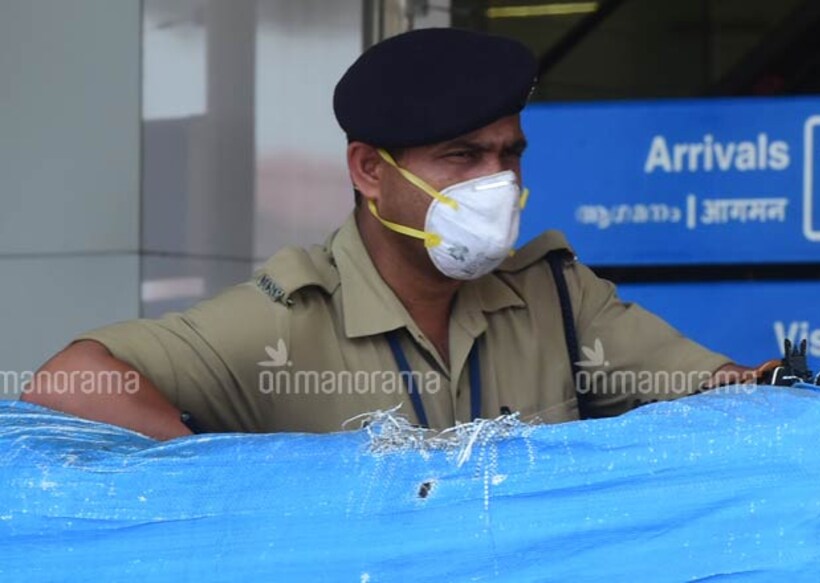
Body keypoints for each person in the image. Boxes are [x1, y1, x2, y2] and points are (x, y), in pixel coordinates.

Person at [24, 28, 778, 440]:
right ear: (368, 171)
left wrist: (783, 391)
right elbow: (69, 381)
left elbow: (716, 393)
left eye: (508, 154)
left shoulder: (557, 298)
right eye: (461, 156)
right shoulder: (287, 317)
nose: (497, 183)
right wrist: (224, 483)